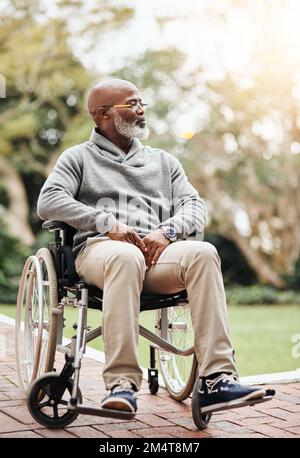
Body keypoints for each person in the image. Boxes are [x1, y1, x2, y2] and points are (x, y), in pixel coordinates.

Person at [37, 78, 272, 415]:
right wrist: (107, 223)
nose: (141, 110)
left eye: (141, 103)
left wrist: (169, 231)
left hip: (157, 253)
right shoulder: (78, 158)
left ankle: (216, 379)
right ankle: (121, 384)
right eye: (132, 104)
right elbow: (49, 201)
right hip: (102, 252)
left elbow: (195, 206)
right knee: (125, 255)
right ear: (103, 113)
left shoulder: (163, 162)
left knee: (203, 253)